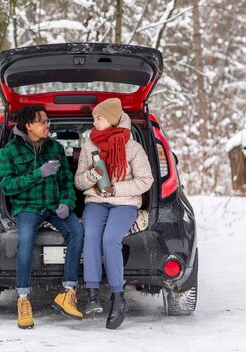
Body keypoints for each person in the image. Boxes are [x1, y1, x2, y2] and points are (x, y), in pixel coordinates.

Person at [0, 105, 84, 329]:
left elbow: (67, 180)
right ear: (28, 125)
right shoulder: (9, 151)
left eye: (47, 121)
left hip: (55, 205)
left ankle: (68, 292)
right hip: (28, 207)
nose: (48, 125)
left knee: (77, 232)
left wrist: (67, 202)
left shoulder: (55, 147)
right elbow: (7, 186)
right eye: (42, 122)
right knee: (26, 240)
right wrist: (39, 173)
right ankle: (23, 298)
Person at [74, 98, 154, 329]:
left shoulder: (133, 147)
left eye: (98, 118)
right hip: (96, 202)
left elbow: (146, 180)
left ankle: (118, 297)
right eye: (94, 118)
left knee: (110, 240)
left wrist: (116, 189)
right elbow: (79, 182)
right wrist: (92, 177)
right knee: (90, 237)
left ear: (111, 119)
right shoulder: (90, 145)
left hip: (125, 203)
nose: (94, 122)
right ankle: (91, 294)